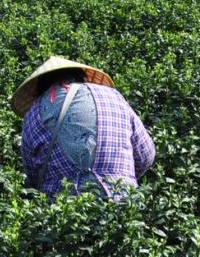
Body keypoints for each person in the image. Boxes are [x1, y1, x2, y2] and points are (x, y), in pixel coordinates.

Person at [12, 56, 155, 200]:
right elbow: (145, 156)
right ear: (81, 75)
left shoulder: (32, 116)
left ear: (41, 86)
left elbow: (34, 178)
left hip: (64, 210)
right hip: (121, 202)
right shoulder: (113, 97)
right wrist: (118, 174)